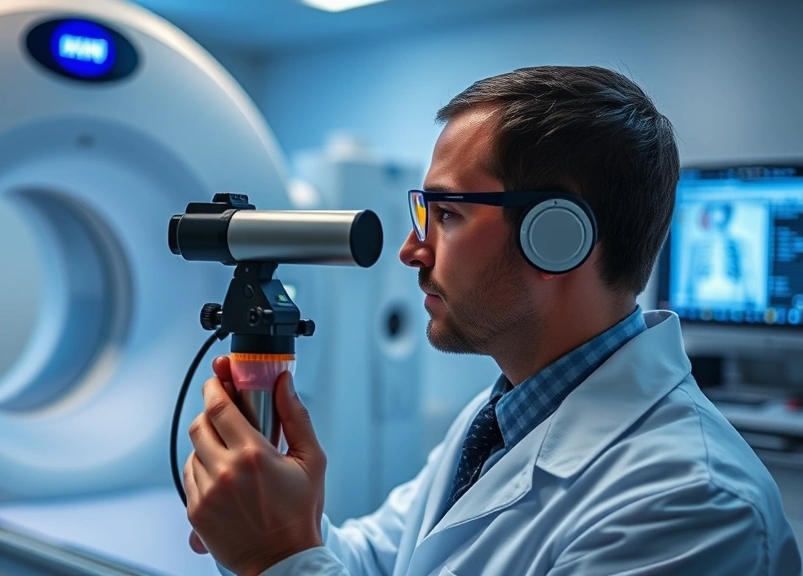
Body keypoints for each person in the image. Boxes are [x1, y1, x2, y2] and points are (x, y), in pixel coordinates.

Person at [181, 66, 803, 575]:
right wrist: (272, 514)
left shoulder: (689, 506)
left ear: (556, 237)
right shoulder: (505, 417)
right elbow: (374, 561)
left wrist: (278, 556)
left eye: (445, 215)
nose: (410, 249)